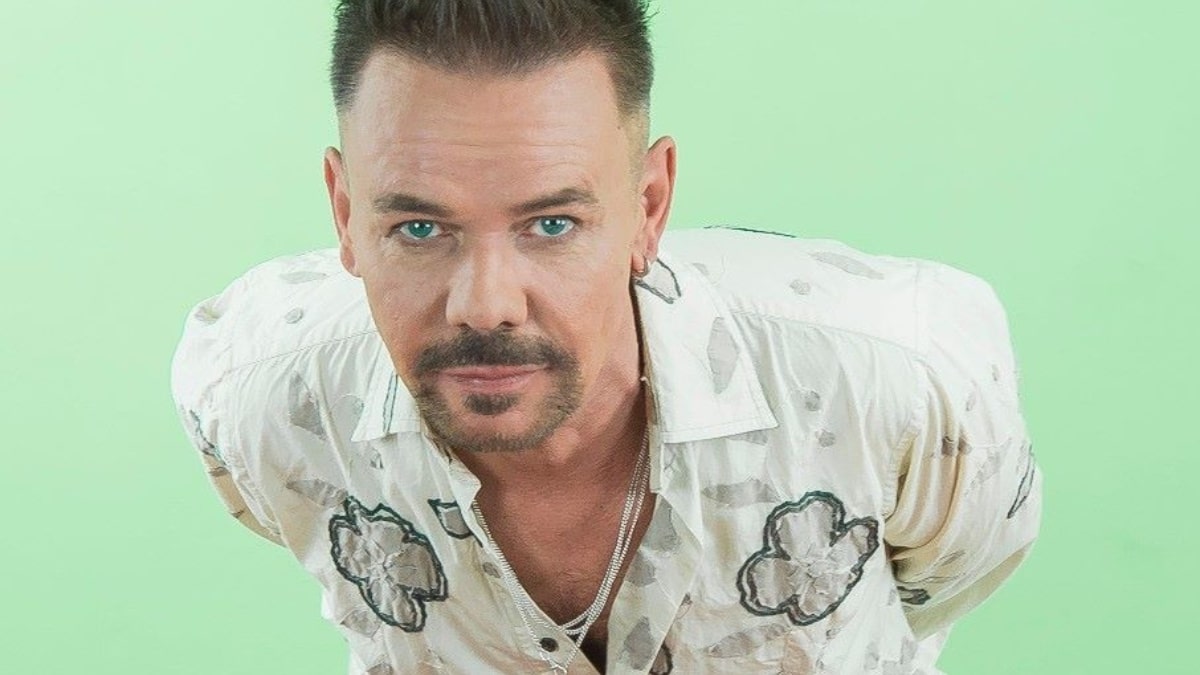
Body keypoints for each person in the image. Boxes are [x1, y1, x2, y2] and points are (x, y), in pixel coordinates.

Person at [169, 1, 1043, 673]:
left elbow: (957, 572)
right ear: (344, 214)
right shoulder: (261, 394)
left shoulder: (892, 378)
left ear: (649, 207)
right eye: (420, 229)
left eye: (551, 224)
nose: (486, 305)